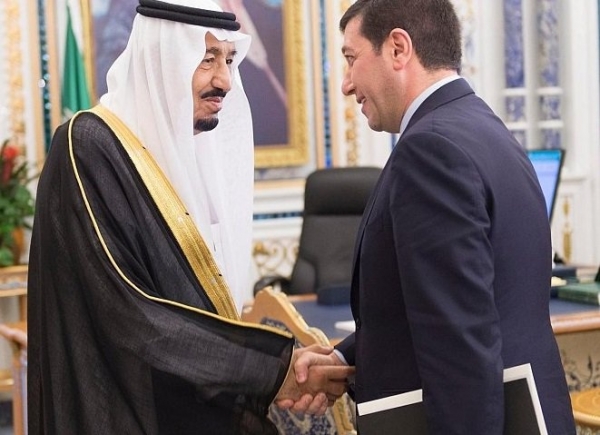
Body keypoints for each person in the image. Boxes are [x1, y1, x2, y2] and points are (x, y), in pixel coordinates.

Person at [27, 0, 352, 434]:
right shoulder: (88, 145)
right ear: (161, 59)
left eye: (229, 60)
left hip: (187, 397)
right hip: (122, 407)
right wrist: (271, 370)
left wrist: (274, 370)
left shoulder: (185, 157)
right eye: (207, 59)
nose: (225, 81)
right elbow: (130, 315)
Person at [294, 1, 576, 434]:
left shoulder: (429, 151)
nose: (347, 84)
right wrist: (345, 358)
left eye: (351, 58)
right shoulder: (485, 128)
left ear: (398, 48)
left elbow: (459, 348)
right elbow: (456, 307)